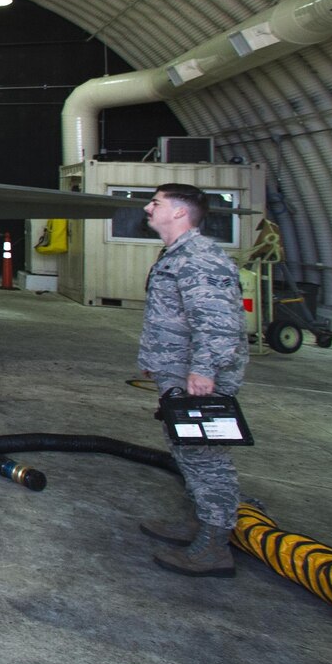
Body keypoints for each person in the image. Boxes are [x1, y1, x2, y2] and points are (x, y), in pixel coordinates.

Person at [136, 183, 247, 578]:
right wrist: (157, 361)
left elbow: (218, 324)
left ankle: (214, 546)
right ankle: (202, 522)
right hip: (177, 371)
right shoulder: (176, 255)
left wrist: (205, 371)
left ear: (180, 212)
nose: (148, 208)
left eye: (156, 203)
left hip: (198, 377)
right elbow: (177, 317)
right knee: (187, 451)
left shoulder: (199, 259)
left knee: (206, 457)